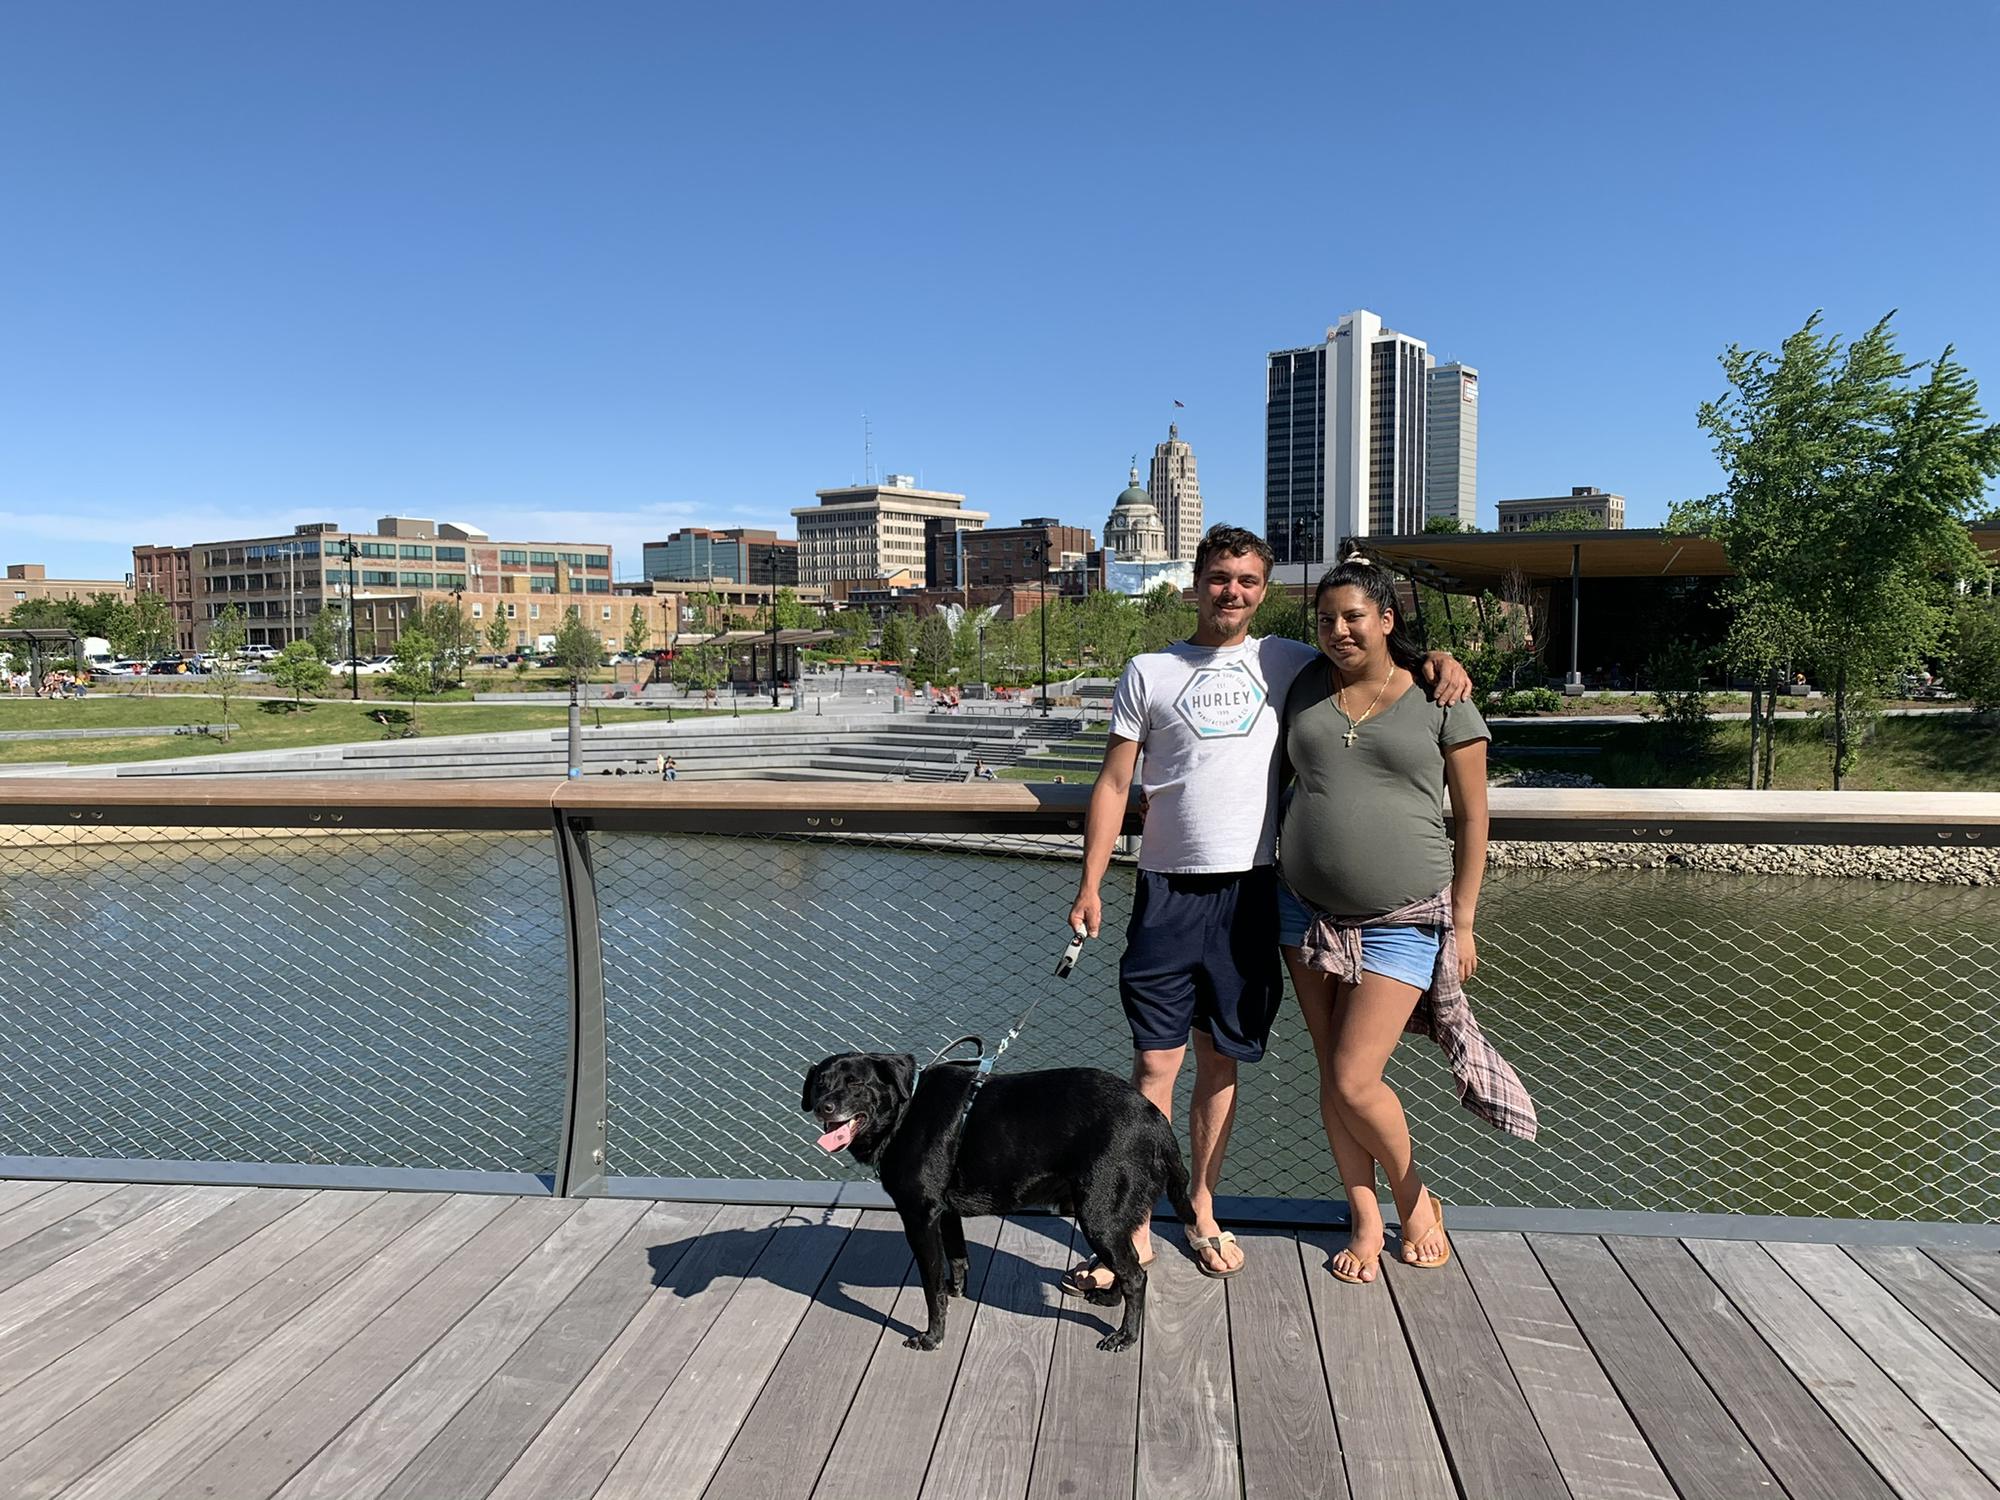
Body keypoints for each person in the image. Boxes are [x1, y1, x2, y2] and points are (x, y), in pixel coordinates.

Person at [1066, 525, 1469, 1289]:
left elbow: (1374, 649)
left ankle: (1204, 1210)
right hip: (1165, 893)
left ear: (1263, 590)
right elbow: (1115, 786)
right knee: (1154, 1066)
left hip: (1254, 895)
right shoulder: (1148, 670)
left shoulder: (1286, 660)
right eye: (1221, 578)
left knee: (1221, 1067)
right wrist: (1089, 884)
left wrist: (1438, 660)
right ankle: (1136, 1223)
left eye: (1249, 581)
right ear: (1196, 582)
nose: (1234, 592)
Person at [1277, 554, 1535, 1285]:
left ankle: (1414, 1196)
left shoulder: (1441, 696)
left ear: (1388, 620)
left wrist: (1467, 918)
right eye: (1326, 619)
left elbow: (1475, 816)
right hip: (1303, 913)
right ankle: (1363, 1216)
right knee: (1332, 1077)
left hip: (1406, 919)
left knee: (1358, 1077)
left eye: (1354, 616)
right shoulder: (1302, 684)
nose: (1338, 630)